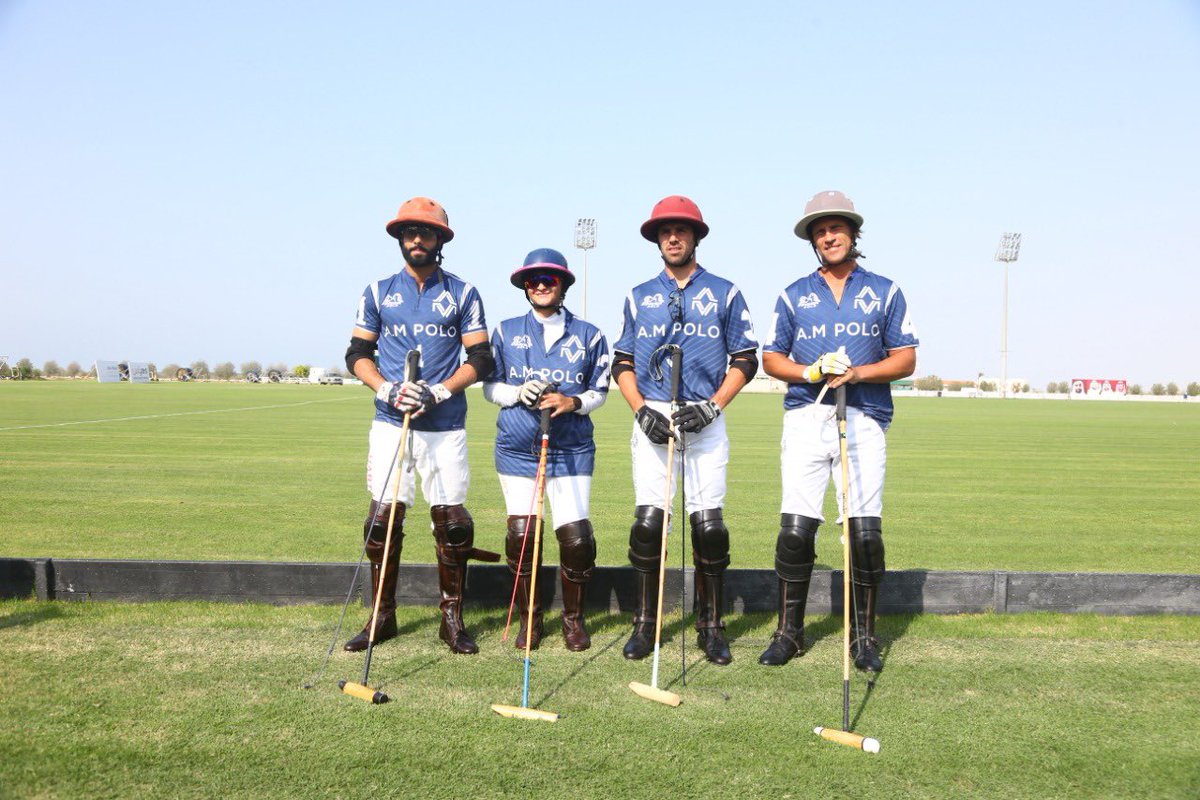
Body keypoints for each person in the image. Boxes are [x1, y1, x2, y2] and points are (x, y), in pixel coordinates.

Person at [758, 190, 918, 673]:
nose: (828, 237)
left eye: (836, 228)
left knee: (864, 532)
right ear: (812, 239)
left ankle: (864, 636)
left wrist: (858, 373)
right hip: (807, 416)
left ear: (853, 233)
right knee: (796, 530)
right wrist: (811, 371)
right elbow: (770, 358)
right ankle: (789, 632)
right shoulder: (793, 294)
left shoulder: (885, 290)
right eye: (819, 231)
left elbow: (906, 358)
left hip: (864, 417)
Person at [342, 196, 498, 656]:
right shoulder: (377, 291)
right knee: (381, 520)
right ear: (399, 238)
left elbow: (481, 358)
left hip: (445, 423)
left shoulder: (463, 293)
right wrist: (386, 389)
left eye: (425, 232)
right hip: (392, 421)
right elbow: (356, 355)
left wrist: (440, 391)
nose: (416, 239)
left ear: (440, 240)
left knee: (452, 523)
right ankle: (381, 616)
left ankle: (452, 619)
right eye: (409, 232)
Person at [611, 196, 759, 666]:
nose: (673, 237)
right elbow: (623, 363)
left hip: (704, 415)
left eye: (682, 230)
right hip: (654, 413)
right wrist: (640, 411)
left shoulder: (726, 292)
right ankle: (645, 624)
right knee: (649, 524)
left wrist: (713, 407)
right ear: (657, 239)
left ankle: (710, 626)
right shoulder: (638, 295)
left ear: (695, 236)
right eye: (665, 231)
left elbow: (746, 359)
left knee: (708, 526)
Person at [483, 248, 611, 651]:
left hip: (571, 449)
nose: (540, 286)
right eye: (533, 280)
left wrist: (571, 402)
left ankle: (573, 620)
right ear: (525, 287)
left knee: (575, 538)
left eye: (549, 279)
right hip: (519, 447)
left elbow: (601, 390)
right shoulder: (505, 331)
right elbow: (489, 386)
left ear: (563, 285)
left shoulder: (590, 335)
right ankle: (530, 620)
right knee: (522, 535)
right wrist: (517, 392)